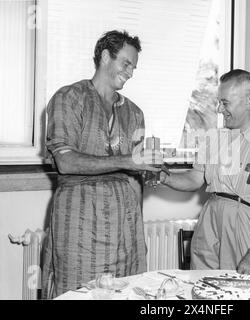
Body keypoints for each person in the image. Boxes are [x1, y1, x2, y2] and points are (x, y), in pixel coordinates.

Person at [41, 30, 163, 298]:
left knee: (126, 291)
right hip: (80, 216)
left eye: (134, 67)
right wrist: (128, 161)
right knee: (79, 290)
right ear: (106, 57)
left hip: (125, 223)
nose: (130, 72)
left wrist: (138, 233)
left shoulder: (134, 112)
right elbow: (65, 161)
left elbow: (135, 177)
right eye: (126, 63)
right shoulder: (69, 98)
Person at [161, 69, 250, 274]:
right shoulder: (215, 138)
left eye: (225, 102)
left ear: (248, 100)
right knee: (202, 284)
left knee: (241, 291)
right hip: (212, 217)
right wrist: (163, 176)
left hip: (249, 225)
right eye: (219, 102)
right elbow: (195, 179)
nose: (220, 109)